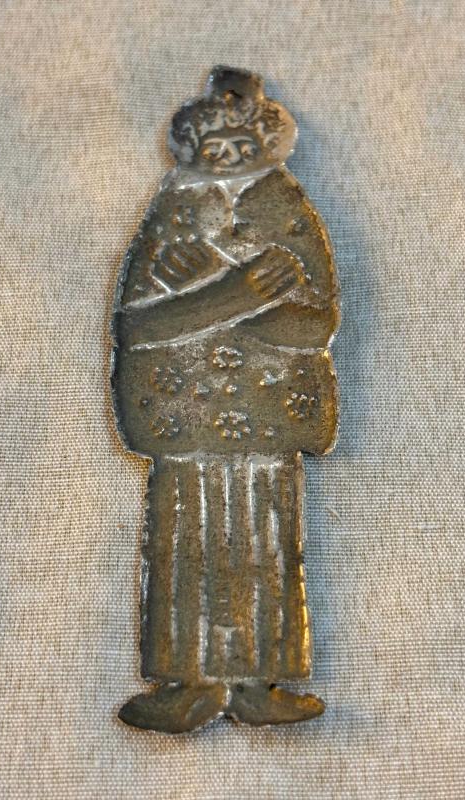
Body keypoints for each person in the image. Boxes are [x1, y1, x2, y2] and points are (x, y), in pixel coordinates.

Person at [111, 66, 340, 732]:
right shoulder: (175, 211)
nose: (231, 159)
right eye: (217, 149)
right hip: (186, 413)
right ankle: (186, 682)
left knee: (267, 534)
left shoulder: (285, 210)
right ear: (194, 151)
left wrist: (220, 291)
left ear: (267, 148)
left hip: (267, 414)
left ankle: (259, 682)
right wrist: (235, 292)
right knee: (183, 537)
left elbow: (315, 325)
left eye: (244, 147)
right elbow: (139, 326)